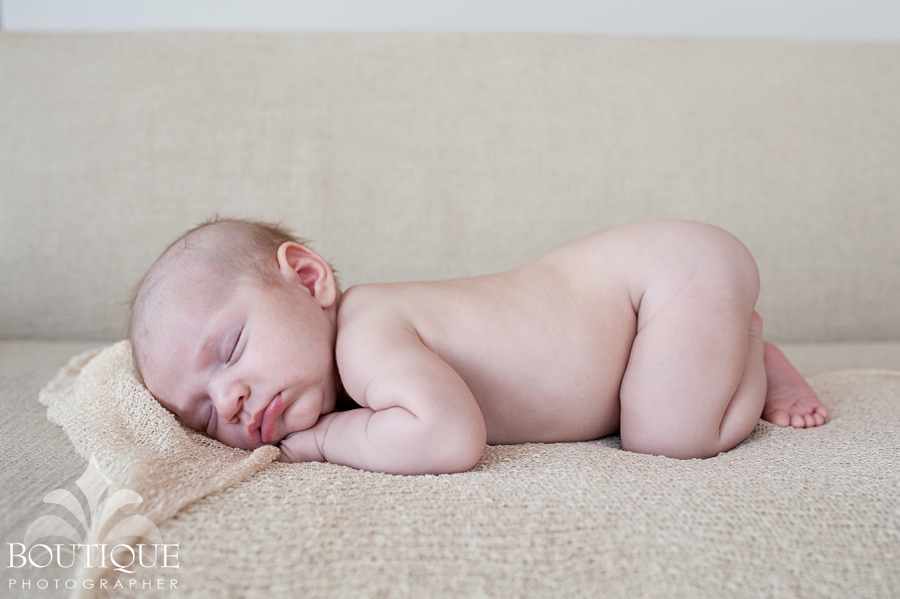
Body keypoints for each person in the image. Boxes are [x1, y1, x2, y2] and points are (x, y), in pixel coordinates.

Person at [129, 218, 827, 475]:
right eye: (200, 414)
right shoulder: (353, 357)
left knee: (669, 436)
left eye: (231, 346)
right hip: (649, 301)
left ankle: (747, 346)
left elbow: (448, 438)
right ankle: (727, 343)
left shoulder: (368, 335)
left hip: (661, 279)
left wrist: (318, 441)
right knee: (654, 415)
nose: (229, 398)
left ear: (309, 279)